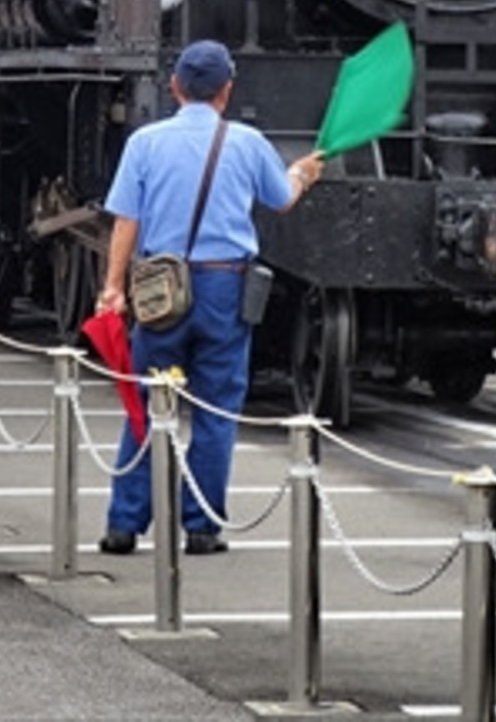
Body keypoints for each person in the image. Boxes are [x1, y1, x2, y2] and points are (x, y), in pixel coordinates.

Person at [95, 39, 324, 555]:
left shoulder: (145, 143)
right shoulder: (246, 143)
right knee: (217, 408)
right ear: (227, 90)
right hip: (225, 285)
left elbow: (126, 221)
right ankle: (201, 527)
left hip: (160, 287)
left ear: (174, 87)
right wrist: (302, 174)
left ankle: (124, 524)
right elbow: (281, 200)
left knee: (148, 404)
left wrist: (113, 286)